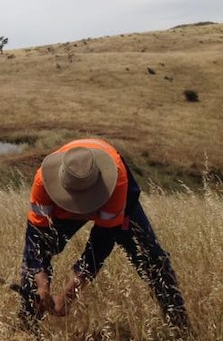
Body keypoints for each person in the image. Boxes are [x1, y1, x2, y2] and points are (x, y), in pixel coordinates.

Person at [18, 138, 189, 334]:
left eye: (85, 204)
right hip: (62, 205)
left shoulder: (116, 183)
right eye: (75, 204)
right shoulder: (43, 182)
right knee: (32, 272)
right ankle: (27, 329)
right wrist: (42, 287)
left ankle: (180, 329)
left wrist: (67, 296)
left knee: (153, 260)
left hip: (113, 198)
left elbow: (99, 246)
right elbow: (35, 240)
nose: (81, 211)